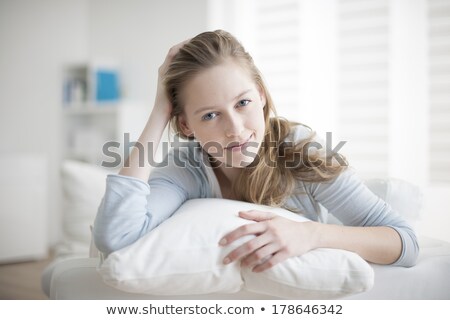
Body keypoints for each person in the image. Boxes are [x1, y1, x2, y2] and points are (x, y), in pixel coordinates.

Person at [93, 30, 418, 272]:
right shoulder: (186, 167)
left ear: (261, 95)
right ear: (186, 125)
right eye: (210, 114)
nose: (234, 128)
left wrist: (312, 235)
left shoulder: (299, 149)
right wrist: (158, 112)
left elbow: (405, 242)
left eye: (243, 102)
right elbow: (117, 236)